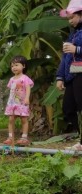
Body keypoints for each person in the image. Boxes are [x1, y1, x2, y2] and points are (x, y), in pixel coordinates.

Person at [57, 0, 82, 150]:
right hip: (72, 75)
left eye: (72, 17)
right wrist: (60, 77)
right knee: (68, 108)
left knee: (81, 107)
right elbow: (65, 57)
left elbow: (74, 51)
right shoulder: (73, 34)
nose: (70, 21)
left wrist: (77, 50)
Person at [3, 56, 34, 146]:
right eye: (12, 66)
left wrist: (27, 98)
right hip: (12, 103)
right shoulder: (11, 79)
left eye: (16, 65)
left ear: (23, 66)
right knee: (11, 119)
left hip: (22, 103)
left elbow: (28, 89)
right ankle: (10, 137)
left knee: (24, 119)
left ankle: (24, 138)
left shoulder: (25, 78)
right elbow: (11, 90)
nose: (14, 67)